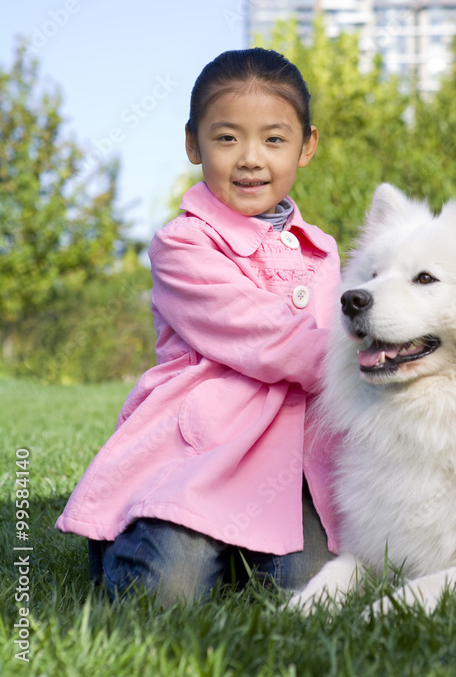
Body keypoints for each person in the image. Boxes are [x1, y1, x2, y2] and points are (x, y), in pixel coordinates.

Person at [55, 48, 341, 606]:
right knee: (163, 593)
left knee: (317, 592)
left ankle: (239, 554)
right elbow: (265, 336)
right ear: (193, 143)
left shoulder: (323, 251)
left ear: (307, 146)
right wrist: (354, 359)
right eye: (227, 138)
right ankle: (134, 532)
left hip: (293, 469)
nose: (251, 159)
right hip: (202, 452)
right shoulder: (184, 244)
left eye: (274, 140)